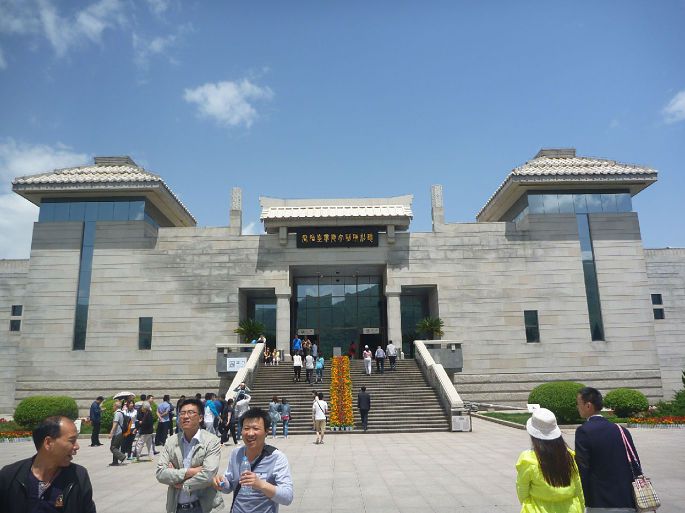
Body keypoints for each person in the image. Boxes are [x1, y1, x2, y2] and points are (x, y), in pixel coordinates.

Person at [0, 416, 96, 513]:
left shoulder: (78, 476)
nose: (77, 446)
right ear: (48, 443)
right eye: (72, 441)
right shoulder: (9, 476)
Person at [212, 407, 294, 512]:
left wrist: (261, 485)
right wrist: (221, 483)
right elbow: (229, 486)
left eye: (256, 428)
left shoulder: (277, 458)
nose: (250, 433)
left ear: (266, 431)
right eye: (246, 428)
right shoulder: (236, 453)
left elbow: (287, 497)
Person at [575, 386, 642, 512]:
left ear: (588, 405)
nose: (577, 407)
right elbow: (635, 463)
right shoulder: (622, 430)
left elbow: (582, 468)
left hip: (600, 501)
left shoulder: (584, 431)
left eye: (578, 404)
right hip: (627, 500)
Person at [156, 398, 224, 513]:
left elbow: (208, 475)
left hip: (203, 507)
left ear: (200, 418)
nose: (185, 416)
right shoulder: (171, 441)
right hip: (176, 507)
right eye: (182, 413)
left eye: (191, 412)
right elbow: (160, 473)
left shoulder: (211, 441)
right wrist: (191, 472)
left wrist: (182, 484)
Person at [515, 408, 584, 513]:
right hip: (570, 508)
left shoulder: (528, 459)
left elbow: (522, 490)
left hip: (538, 509)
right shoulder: (569, 456)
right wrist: (581, 507)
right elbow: (578, 487)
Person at [109, 400, 127, 466]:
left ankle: (122, 456)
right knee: (116, 447)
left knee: (113, 448)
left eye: (113, 406)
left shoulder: (117, 413)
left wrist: (111, 432)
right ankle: (115, 462)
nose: (112, 407)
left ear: (115, 406)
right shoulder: (121, 412)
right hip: (121, 432)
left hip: (117, 433)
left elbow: (115, 423)